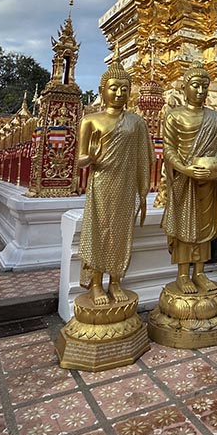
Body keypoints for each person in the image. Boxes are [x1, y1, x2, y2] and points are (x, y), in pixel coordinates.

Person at [76, 60, 152, 305]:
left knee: (121, 234)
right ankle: (96, 284)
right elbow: (80, 160)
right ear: (102, 91)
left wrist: (143, 192)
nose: (119, 93)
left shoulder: (136, 123)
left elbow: (143, 159)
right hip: (101, 185)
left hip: (126, 185)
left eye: (124, 89)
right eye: (114, 88)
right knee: (98, 232)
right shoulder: (91, 121)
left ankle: (116, 281)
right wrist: (92, 157)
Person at [161, 65, 217, 294]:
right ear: (184, 87)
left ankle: (199, 272)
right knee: (184, 227)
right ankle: (183, 274)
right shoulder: (174, 116)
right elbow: (169, 151)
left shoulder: (214, 118)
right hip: (184, 180)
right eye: (195, 85)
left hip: (208, 180)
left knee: (204, 227)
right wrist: (186, 169)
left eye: (205, 86)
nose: (200, 91)